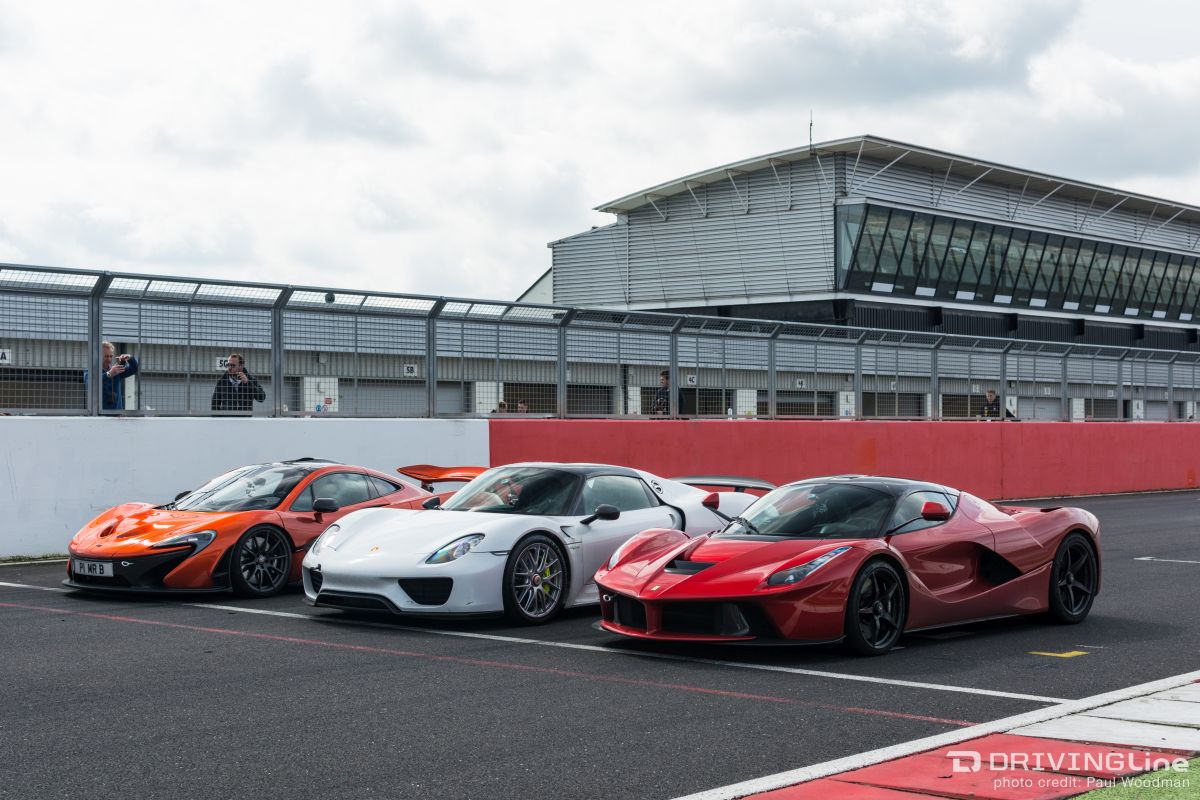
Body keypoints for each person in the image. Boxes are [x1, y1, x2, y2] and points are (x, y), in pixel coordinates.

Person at [83, 341, 139, 411]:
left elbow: (134, 369)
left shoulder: (116, 370)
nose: (109, 359)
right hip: (100, 415)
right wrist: (109, 374)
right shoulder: (90, 370)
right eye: (106, 356)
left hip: (117, 415)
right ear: (97, 356)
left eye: (111, 356)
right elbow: (89, 383)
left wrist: (130, 358)